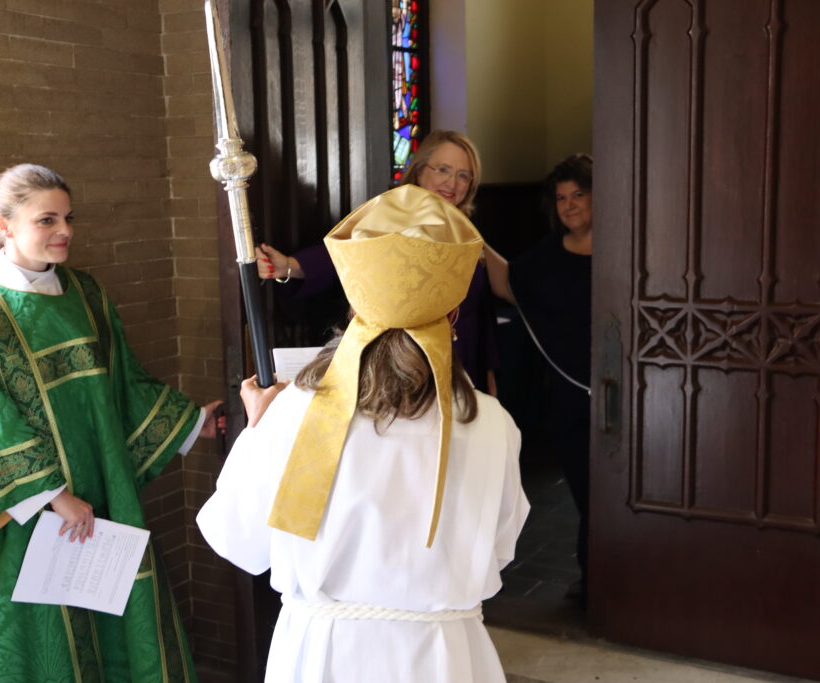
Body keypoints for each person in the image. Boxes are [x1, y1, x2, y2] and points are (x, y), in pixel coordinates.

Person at [197, 185, 529, 682]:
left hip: (323, 656)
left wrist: (259, 429)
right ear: (454, 314)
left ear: (353, 303)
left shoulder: (293, 413)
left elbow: (238, 540)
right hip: (446, 658)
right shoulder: (491, 423)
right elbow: (500, 548)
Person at [0, 164, 224, 681]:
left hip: (104, 493)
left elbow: (122, 383)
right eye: (47, 220)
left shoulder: (86, 293)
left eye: (69, 218)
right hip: (27, 514)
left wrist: (191, 422)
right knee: (43, 644)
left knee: (119, 623)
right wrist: (55, 496)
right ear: (3, 225)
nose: (66, 232)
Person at [256, 130, 501, 395]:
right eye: (443, 169)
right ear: (419, 171)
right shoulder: (392, 215)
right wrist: (290, 265)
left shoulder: (467, 232)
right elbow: (347, 253)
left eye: (463, 175)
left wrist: (489, 383)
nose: (452, 183)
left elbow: (483, 313)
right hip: (409, 363)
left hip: (464, 360)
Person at [484, 153, 593, 598]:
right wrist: (471, 239)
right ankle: (595, 583)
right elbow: (509, 283)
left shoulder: (626, 245)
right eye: (562, 198)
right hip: (571, 392)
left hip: (627, 389)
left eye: (579, 195)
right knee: (587, 495)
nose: (569, 206)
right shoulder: (549, 253)